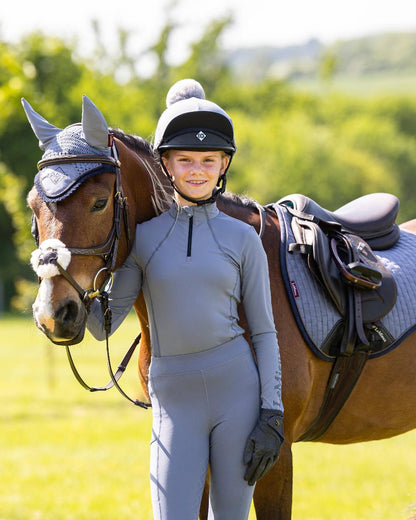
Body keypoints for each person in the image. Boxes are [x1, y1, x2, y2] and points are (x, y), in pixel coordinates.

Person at [87, 79, 284, 520]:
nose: (197, 170)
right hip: (174, 403)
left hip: (239, 394)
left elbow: (266, 333)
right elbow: (101, 326)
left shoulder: (244, 238)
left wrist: (272, 414)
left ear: (223, 166)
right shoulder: (144, 240)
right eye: (185, 160)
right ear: (166, 165)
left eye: (208, 160)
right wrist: (61, 270)